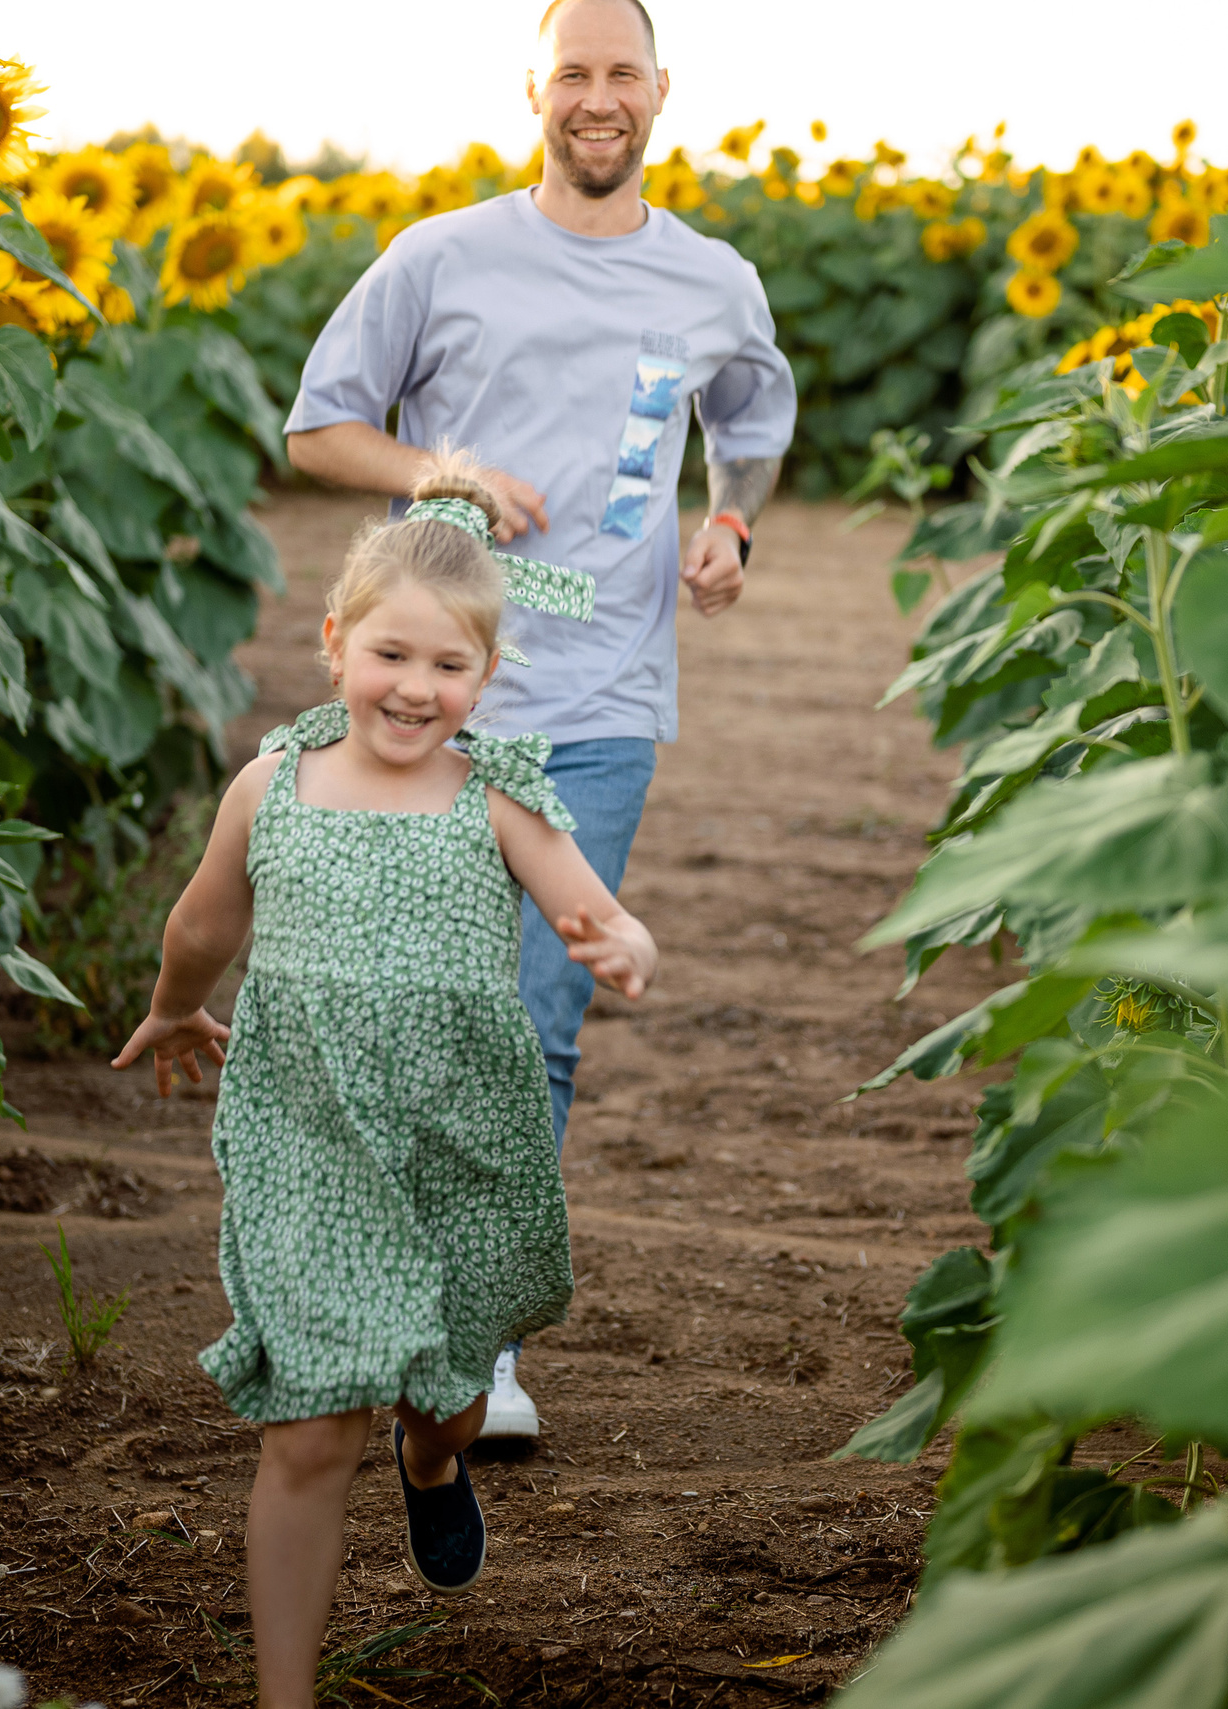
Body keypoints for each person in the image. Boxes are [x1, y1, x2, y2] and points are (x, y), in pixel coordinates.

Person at [285, 0, 796, 1439]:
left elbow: (753, 413)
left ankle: (476, 1348)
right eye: (573, 72)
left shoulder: (712, 280)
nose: (597, 97)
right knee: (410, 1012)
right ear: (535, 91)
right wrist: (433, 463)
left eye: (620, 73)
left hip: (603, 708)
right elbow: (319, 429)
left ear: (660, 94)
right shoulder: (440, 258)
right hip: (425, 710)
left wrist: (732, 521)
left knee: (535, 1027)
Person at [111, 459, 658, 1709]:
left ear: (486, 677)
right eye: (391, 655)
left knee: (448, 1396)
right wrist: (170, 1003)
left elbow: (596, 908)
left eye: (448, 667)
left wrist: (620, 944)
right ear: (335, 641)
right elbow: (201, 928)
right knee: (311, 1423)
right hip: (311, 1129)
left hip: (461, 1134)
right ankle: (285, 1693)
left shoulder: (499, 796)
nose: (416, 689)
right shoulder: (275, 786)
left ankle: (432, 1459)